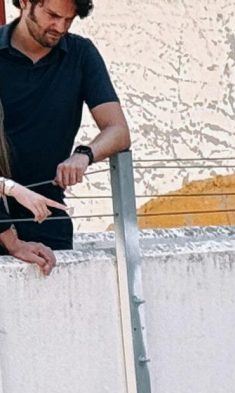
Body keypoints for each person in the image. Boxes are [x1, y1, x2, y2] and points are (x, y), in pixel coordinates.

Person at [1, 0, 128, 276]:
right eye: (53, 15)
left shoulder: (80, 54)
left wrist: (84, 154)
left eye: (69, 20)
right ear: (24, 3)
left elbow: (118, 130)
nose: (60, 27)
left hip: (47, 216)